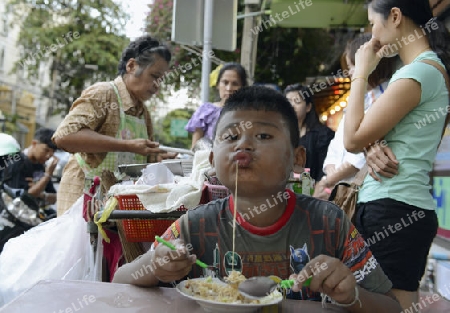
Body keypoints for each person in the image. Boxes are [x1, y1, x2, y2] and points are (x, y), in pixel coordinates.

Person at [113, 86, 402, 312]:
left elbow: (391, 307)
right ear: (212, 160)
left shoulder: (329, 223)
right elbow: (120, 281)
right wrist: (156, 265)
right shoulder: (196, 226)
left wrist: (352, 296)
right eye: (230, 137)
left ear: (297, 159)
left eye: (263, 135)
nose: (244, 145)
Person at [343, 0, 450, 311]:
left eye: (373, 24)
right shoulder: (423, 71)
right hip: (395, 205)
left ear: (395, 16)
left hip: (394, 207)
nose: (372, 35)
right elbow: (373, 136)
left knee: (389, 306)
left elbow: (351, 137)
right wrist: (371, 144)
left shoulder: (418, 72)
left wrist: (361, 72)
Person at [53, 35, 174, 216]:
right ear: (131, 66)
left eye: (161, 80)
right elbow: (65, 137)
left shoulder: (143, 113)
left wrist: (160, 158)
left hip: (117, 209)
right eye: (154, 76)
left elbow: (144, 165)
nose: (157, 86)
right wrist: (127, 145)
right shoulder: (104, 93)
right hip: (83, 201)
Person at [314, 33, 398, 199]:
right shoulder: (361, 98)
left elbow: (359, 152)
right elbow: (336, 145)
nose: (350, 73)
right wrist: (331, 174)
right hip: (343, 187)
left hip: (366, 191)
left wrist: (328, 181)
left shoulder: (387, 96)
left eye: (353, 65)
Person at [185, 62, 248, 149]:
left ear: (243, 87)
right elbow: (195, 148)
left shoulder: (247, 115)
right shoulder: (206, 111)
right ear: (218, 85)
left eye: (235, 84)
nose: (229, 88)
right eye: (225, 83)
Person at [284, 83, 335, 182]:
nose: (292, 106)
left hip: (312, 192)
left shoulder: (323, 135)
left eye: (297, 101)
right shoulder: (278, 135)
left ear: (308, 107)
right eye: (288, 102)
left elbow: (324, 169)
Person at [2, 128, 58, 207]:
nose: (49, 156)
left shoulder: (42, 166)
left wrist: (41, 193)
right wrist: (46, 176)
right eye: (46, 150)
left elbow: (55, 198)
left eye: (53, 152)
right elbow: (24, 196)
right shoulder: (17, 162)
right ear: (34, 144)